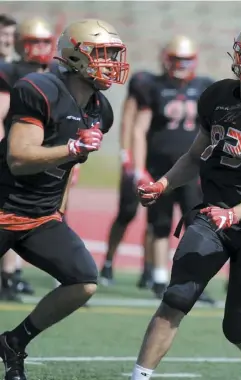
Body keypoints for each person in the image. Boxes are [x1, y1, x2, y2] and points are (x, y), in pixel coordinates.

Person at [130, 21, 241, 380]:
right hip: (212, 220)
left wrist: (235, 214)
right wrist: (163, 184)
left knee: (238, 328)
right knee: (175, 300)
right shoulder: (216, 97)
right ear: (239, 56)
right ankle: (139, 376)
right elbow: (195, 156)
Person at [0, 18, 129, 380]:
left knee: (83, 280)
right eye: (103, 54)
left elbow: (69, 170)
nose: (112, 63)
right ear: (76, 56)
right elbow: (19, 159)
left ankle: (14, 342)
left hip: (40, 217)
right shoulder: (39, 88)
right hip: (3, 206)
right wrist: (70, 146)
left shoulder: (100, 110)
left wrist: (59, 211)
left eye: (114, 55)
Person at [128, 35, 215, 304]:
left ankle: (192, 281)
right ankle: (159, 278)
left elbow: (214, 130)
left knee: (196, 227)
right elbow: (139, 129)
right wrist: (138, 169)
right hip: (160, 169)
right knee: (161, 224)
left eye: (185, 59)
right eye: (176, 59)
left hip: (192, 171)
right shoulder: (152, 86)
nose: (180, 65)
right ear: (166, 59)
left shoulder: (205, 88)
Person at [0, 17, 58, 301]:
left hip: (49, 157)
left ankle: (14, 273)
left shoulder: (58, 73)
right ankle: (9, 275)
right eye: (34, 42)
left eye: (45, 42)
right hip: (16, 153)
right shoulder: (8, 71)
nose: (40, 48)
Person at [99, 75, 154, 289]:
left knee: (157, 220)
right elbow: (128, 120)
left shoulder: (188, 90)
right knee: (127, 212)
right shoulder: (146, 85)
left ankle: (148, 269)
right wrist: (126, 155)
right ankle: (109, 261)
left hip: (158, 160)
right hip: (137, 161)